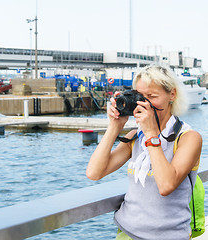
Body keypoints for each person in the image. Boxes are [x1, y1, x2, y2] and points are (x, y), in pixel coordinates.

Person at [86, 65, 202, 240]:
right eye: (140, 97)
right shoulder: (135, 137)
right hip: (126, 232)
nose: (144, 104)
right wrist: (115, 126)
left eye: (152, 97)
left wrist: (151, 134)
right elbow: (94, 173)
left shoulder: (188, 138)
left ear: (172, 94)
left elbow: (166, 185)